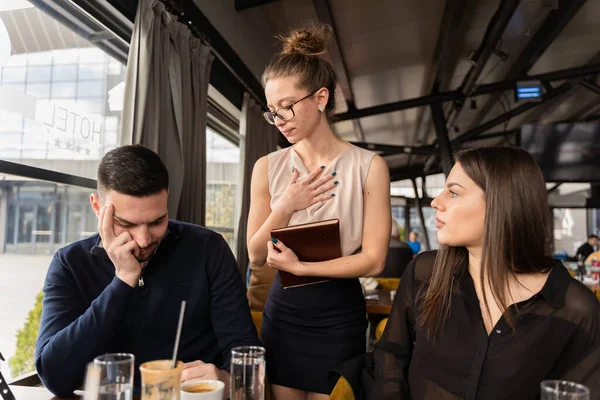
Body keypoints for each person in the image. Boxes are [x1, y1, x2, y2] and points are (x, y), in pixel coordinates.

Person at [372, 147, 600, 399]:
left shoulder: (575, 310)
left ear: (501, 203)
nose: (436, 201)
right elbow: (390, 353)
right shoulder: (426, 273)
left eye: (454, 192)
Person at [35, 145, 260, 398]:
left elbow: (245, 351)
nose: (143, 240)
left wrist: (226, 379)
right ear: (98, 207)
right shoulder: (70, 263)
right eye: (126, 224)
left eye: (156, 222)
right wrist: (123, 280)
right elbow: (55, 376)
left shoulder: (208, 248)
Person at [246, 24, 391, 399]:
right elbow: (255, 254)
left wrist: (303, 268)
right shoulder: (267, 167)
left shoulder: (368, 166)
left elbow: (374, 261)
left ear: (321, 98)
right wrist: (285, 207)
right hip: (284, 315)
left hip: (339, 316)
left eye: (288, 106)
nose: (280, 120)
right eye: (272, 111)